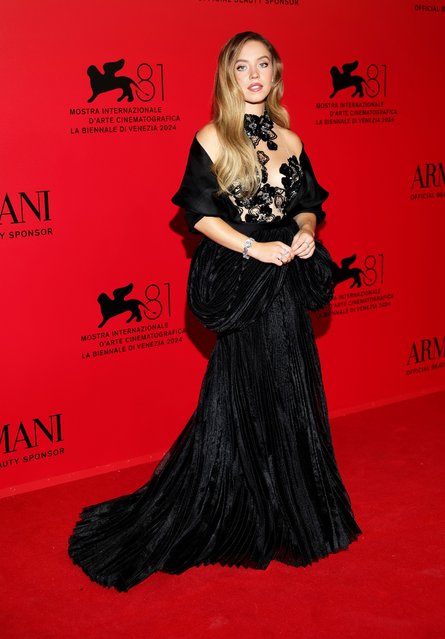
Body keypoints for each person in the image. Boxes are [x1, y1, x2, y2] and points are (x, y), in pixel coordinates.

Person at [68, 31, 362, 592]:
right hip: (243, 280)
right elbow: (199, 218)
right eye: (241, 67)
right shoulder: (212, 138)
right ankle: (242, 500)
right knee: (244, 389)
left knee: (292, 384)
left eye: (263, 65)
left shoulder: (292, 141)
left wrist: (303, 235)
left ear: (276, 73)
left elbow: (307, 208)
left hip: (285, 282)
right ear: (228, 77)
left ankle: (296, 504)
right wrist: (255, 248)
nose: (254, 76)